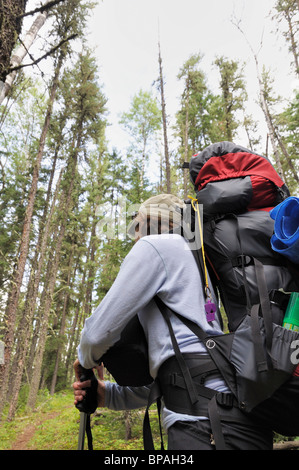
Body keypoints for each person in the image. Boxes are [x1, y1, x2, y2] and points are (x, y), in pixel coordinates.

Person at [73, 194, 273, 450]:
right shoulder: (196, 267)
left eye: (136, 225)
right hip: (234, 421)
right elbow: (183, 376)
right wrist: (107, 395)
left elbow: (97, 333)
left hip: (206, 424)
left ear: (149, 220)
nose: (135, 236)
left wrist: (85, 359)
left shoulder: (158, 246)